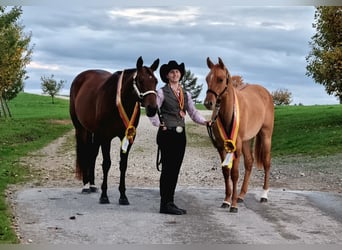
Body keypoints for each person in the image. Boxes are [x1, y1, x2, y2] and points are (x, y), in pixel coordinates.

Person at [149, 60, 210, 215]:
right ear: (167, 76)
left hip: (180, 134)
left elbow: (193, 112)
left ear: (180, 74)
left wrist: (205, 122)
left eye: (177, 72)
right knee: (167, 169)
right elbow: (153, 110)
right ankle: (164, 203)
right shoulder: (161, 92)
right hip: (167, 133)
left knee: (175, 170)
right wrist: (158, 123)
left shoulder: (186, 94)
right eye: (172, 72)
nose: (175, 74)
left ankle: (171, 201)